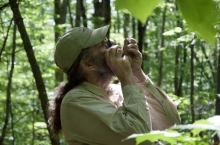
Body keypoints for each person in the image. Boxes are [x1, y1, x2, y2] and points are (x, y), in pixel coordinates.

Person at [48, 25, 181, 145]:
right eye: (102, 44)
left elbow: (171, 125)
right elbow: (142, 139)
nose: (112, 44)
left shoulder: (119, 90)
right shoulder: (75, 102)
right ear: (88, 65)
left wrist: (136, 72)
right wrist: (126, 77)